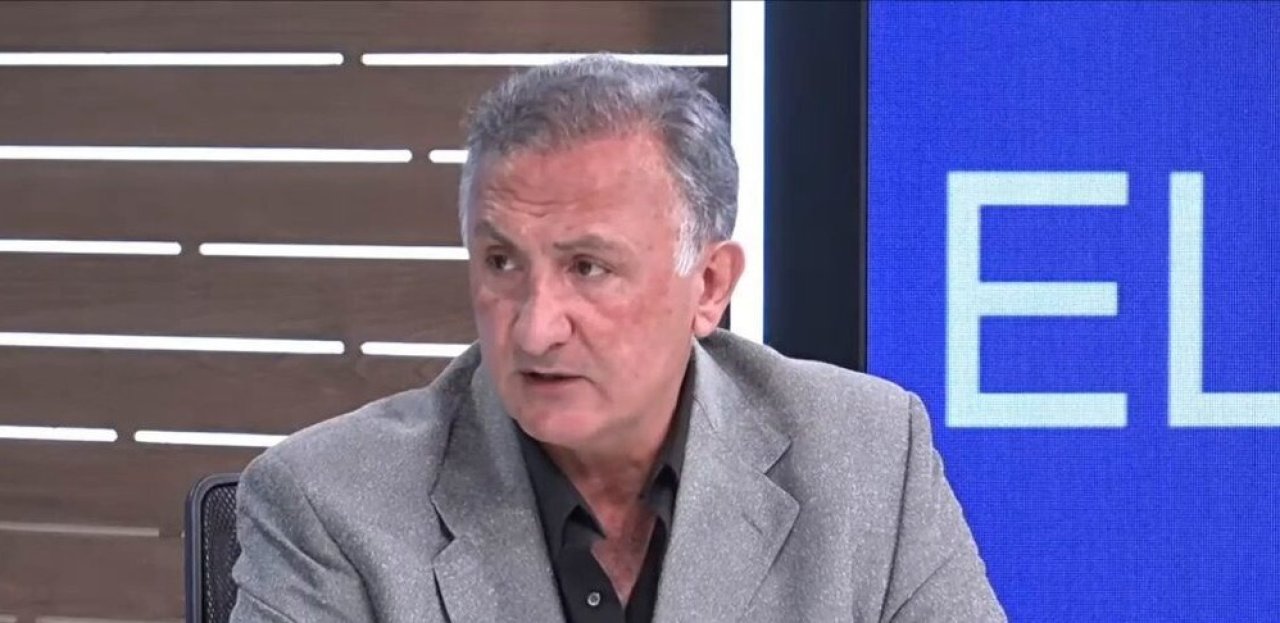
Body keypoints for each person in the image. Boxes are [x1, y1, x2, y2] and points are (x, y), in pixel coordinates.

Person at [230, 55, 1005, 622]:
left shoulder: (869, 457)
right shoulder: (331, 502)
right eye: (501, 262)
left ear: (709, 285)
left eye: (588, 267)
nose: (535, 327)